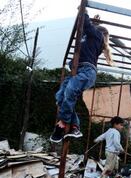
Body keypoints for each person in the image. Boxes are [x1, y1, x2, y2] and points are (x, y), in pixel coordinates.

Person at [50, 12, 113, 143]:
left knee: (70, 91)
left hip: (87, 71)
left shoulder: (97, 36)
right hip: (77, 71)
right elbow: (87, 28)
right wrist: (95, 23)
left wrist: (84, 12)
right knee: (60, 97)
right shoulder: (90, 37)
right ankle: (75, 127)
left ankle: (62, 123)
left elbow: (86, 24)